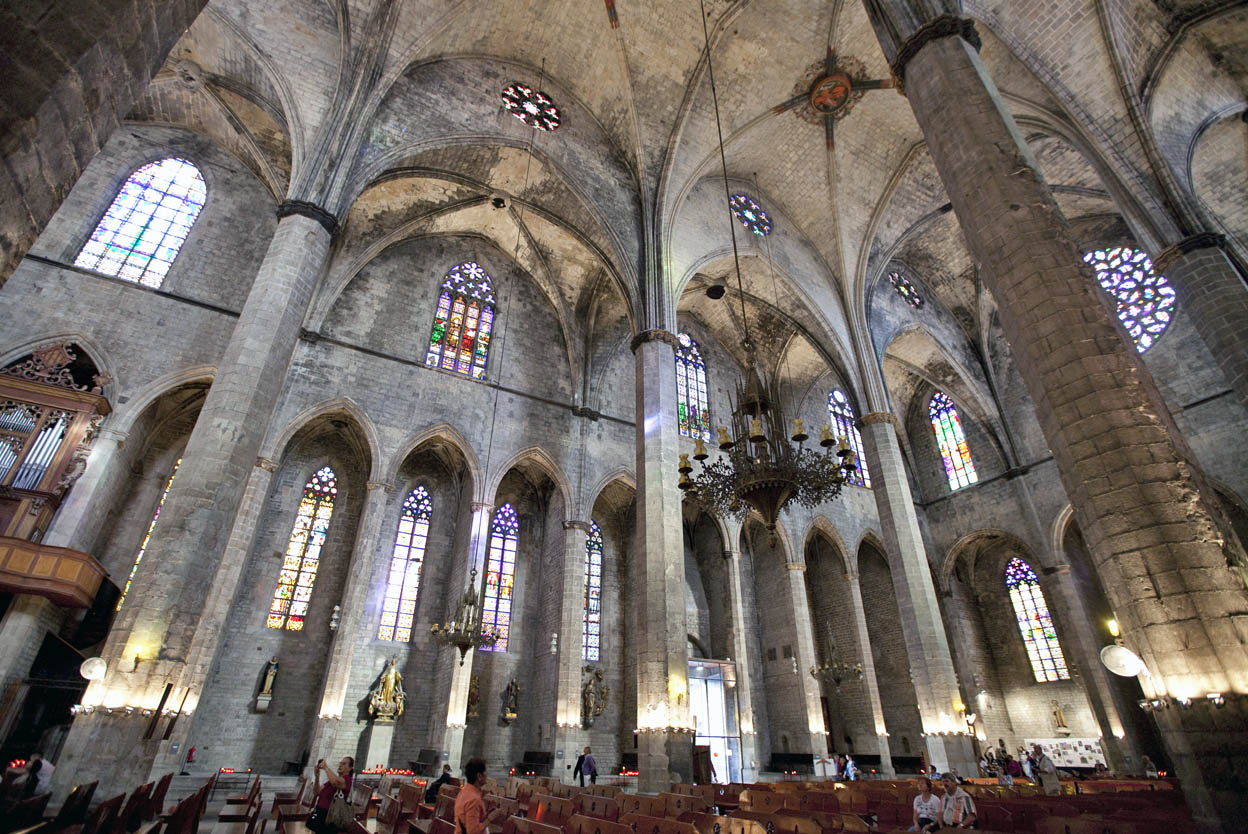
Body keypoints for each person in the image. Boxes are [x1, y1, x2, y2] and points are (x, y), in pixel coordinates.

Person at [454, 758, 507, 834]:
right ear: (479, 776)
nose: (487, 774)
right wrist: (490, 818)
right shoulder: (474, 799)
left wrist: (486, 815)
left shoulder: (464, 792)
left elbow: (470, 820)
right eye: (485, 771)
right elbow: (472, 832)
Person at [308, 756, 353, 834]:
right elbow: (316, 792)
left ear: (350, 768)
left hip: (330, 816)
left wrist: (326, 767)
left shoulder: (347, 780)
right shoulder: (332, 779)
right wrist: (317, 777)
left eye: (344, 764)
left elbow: (335, 783)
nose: (340, 765)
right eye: (340, 763)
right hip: (320, 813)